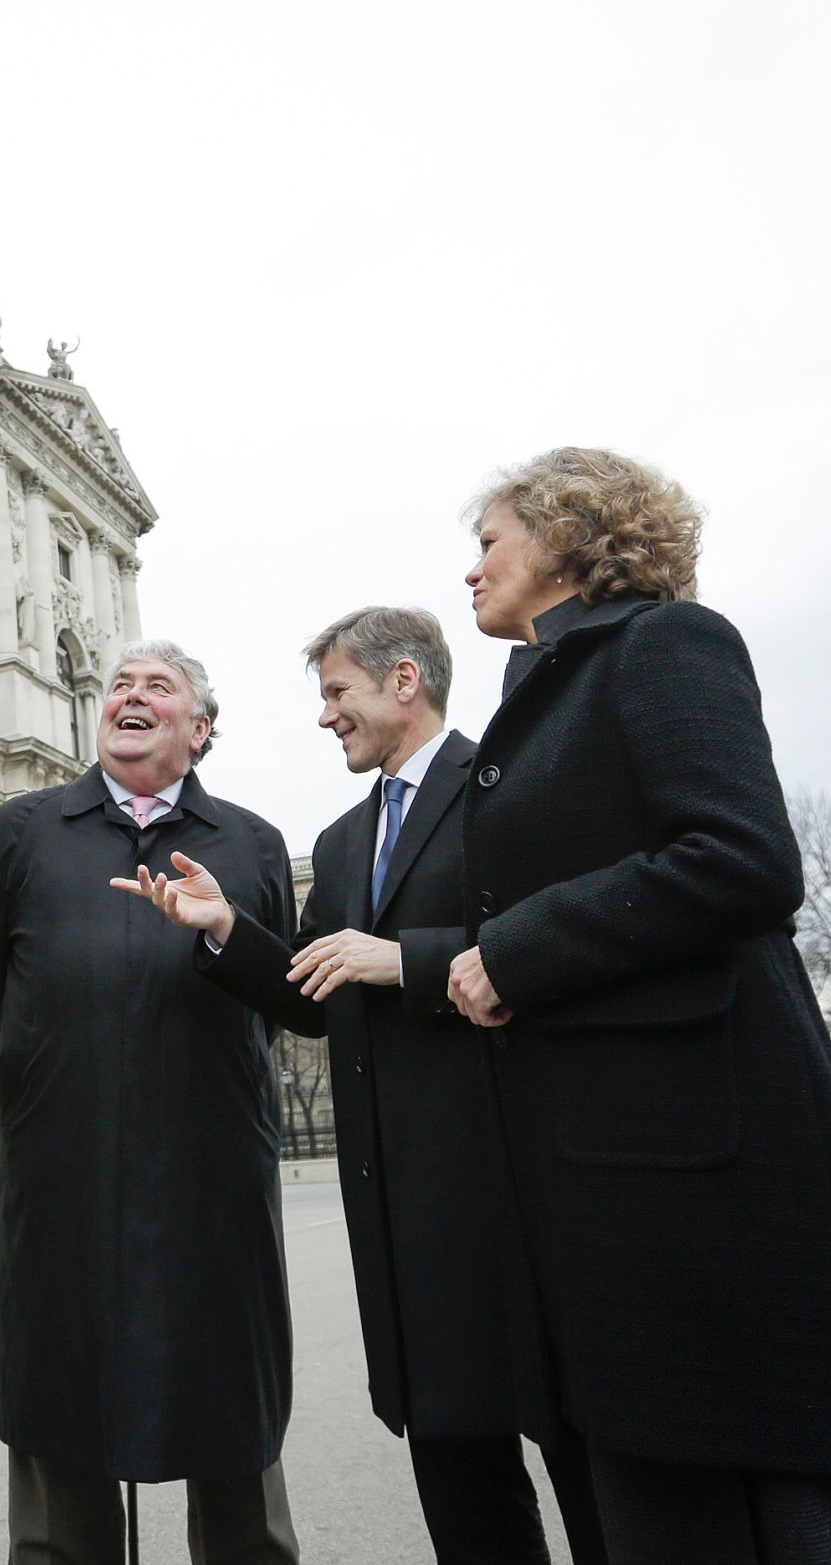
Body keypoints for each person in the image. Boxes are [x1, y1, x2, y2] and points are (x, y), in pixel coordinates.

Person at [117, 607, 605, 1565]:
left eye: (337, 692)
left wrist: (407, 961)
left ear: (404, 680)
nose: (325, 716)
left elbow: (563, 950)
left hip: (524, 1188)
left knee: (590, 1469)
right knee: (460, 1478)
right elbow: (312, 994)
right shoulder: (341, 843)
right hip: (405, 1214)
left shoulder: (504, 789)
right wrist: (224, 930)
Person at [449, 446, 831, 1564]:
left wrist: (512, 951)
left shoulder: (667, 640)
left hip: (701, 1181)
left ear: (568, 533)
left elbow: (741, 857)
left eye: (488, 542)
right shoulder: (542, 689)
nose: (470, 572)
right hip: (614, 1178)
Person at [0, 638, 301, 1564]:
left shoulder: (250, 843)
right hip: (61, 1172)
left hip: (210, 1177)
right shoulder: (22, 829)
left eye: (159, 687)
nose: (130, 696)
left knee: (228, 1407)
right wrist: (55, 1080)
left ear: (199, 729)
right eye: (118, 685)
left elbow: (289, 1002)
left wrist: (223, 936)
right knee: (59, 1411)